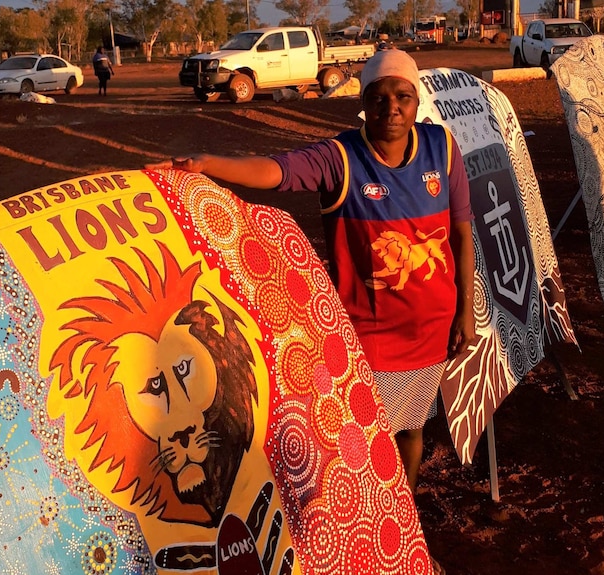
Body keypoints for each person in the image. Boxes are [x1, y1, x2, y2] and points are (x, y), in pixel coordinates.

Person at [147, 49, 475, 575]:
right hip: (367, 340)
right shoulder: (341, 159)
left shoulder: (441, 147)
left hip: (431, 331)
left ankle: (401, 529)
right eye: (380, 96)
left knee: (412, 430)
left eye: (403, 96)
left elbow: (461, 230)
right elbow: (276, 171)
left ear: (417, 103)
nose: (392, 106)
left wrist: (465, 309)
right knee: (362, 450)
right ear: (363, 103)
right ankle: (367, 541)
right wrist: (208, 166)